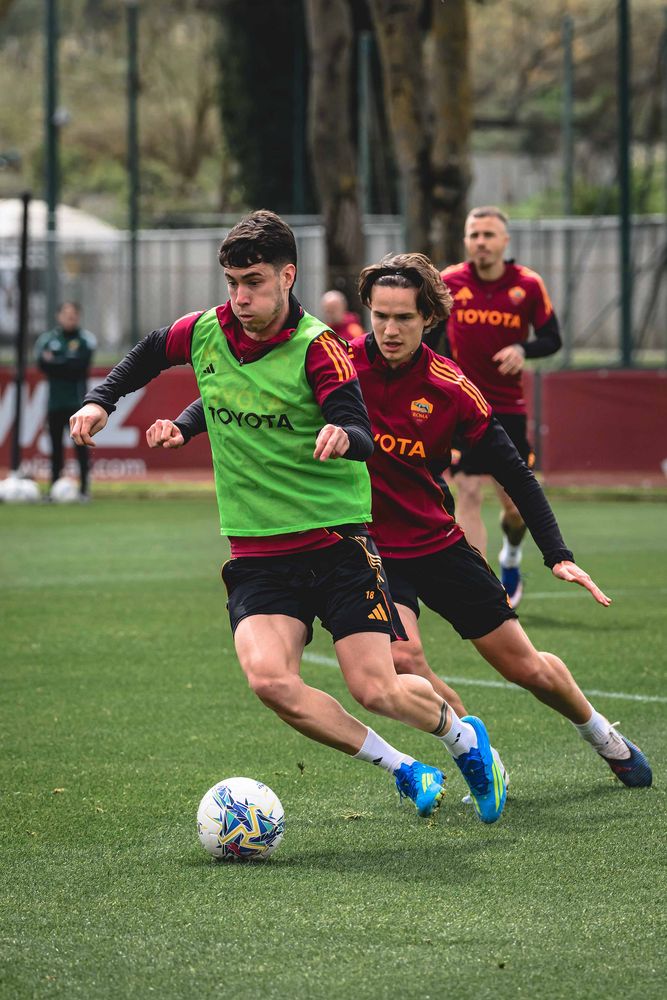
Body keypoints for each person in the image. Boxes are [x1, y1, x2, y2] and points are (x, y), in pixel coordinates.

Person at [70, 210, 507, 824]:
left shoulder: (319, 348)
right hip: (257, 552)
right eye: (231, 283)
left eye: (253, 282)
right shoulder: (203, 332)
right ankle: (404, 768)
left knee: (377, 688)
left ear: (287, 276)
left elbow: (360, 429)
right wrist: (100, 401)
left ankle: (462, 738)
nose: (240, 297)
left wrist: (341, 434)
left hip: (336, 544)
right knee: (271, 682)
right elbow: (146, 355)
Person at [161, 251, 652, 794]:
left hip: (437, 543)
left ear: (429, 320)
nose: (390, 330)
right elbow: (235, 396)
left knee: (526, 667)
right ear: (368, 311)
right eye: (381, 316)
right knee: (401, 656)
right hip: (364, 547)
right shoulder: (335, 361)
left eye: (404, 318)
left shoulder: (449, 387)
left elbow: (514, 471)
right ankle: (474, 751)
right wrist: (184, 425)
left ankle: (604, 736)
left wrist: (557, 553)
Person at [441, 207, 562, 607]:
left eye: (489, 235)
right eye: (474, 234)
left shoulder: (527, 285)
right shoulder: (449, 282)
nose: (481, 242)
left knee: (515, 506)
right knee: (469, 492)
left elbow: (552, 338)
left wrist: (522, 348)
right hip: (462, 405)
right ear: (465, 240)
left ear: (504, 241)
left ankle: (511, 556)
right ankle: (482, 588)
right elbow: (431, 337)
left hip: (507, 409)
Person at [35, 301, 96, 499]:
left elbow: (78, 366)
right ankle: (53, 489)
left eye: (73, 314)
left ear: (78, 317)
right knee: (55, 448)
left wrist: (57, 362)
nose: (70, 318)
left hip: (78, 405)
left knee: (80, 447)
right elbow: (43, 364)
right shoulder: (47, 340)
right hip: (55, 403)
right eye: (66, 314)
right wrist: (66, 362)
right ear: (58, 316)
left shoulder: (85, 340)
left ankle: (84, 489)